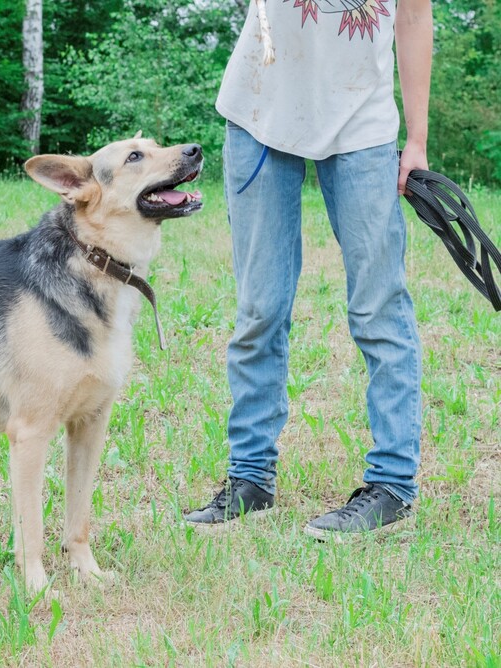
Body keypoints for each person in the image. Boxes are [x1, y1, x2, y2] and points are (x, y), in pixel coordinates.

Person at [183, 0, 433, 539]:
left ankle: (392, 485)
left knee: (378, 308)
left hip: (362, 122)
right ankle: (250, 478)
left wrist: (417, 140)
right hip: (258, 112)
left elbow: (413, 18)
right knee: (259, 308)